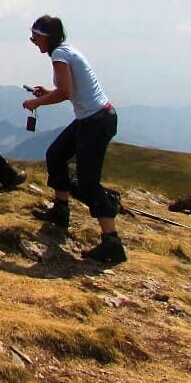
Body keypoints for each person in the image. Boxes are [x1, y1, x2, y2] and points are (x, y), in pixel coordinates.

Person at [23, 15, 126, 263]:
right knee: (56, 155)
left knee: (89, 182)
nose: (33, 42)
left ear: (46, 37)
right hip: (93, 117)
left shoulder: (60, 55)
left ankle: (112, 242)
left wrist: (38, 102)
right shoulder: (65, 51)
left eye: (35, 38)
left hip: (95, 121)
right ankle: (60, 210)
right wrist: (47, 92)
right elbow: (70, 90)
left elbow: (65, 92)